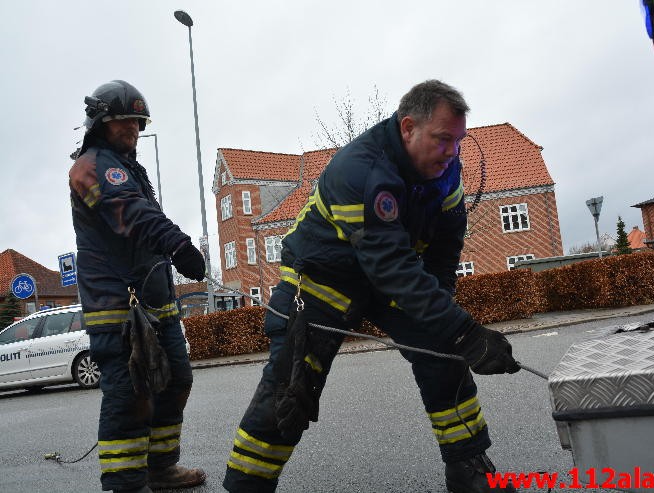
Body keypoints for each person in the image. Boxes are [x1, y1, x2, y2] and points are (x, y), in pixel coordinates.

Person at [223, 80, 519, 493]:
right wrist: (466, 331)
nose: (452, 151)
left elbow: (443, 252)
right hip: (322, 278)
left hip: (387, 273)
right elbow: (390, 266)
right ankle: (246, 484)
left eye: (459, 141)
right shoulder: (360, 171)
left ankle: (468, 467)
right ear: (408, 128)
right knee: (292, 383)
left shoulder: (446, 172)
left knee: (443, 353)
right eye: (442, 139)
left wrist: (447, 325)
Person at [68, 80, 207, 493]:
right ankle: (126, 483)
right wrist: (180, 245)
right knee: (130, 394)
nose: (134, 129)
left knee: (176, 379)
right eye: (125, 121)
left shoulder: (129, 169)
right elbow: (133, 212)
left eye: (138, 123)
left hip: (155, 304)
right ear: (100, 123)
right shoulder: (92, 167)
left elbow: (141, 214)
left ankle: (160, 468)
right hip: (117, 308)